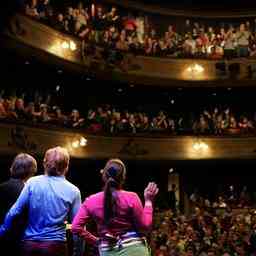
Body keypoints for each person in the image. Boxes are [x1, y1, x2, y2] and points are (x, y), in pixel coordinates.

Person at [0, 146, 82, 256]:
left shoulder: (32, 183)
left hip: (29, 246)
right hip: (56, 247)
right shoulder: (74, 191)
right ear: (66, 166)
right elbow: (77, 225)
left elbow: (14, 211)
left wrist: (2, 231)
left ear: (44, 164)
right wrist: (78, 251)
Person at [72, 158, 159, 256]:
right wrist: (148, 202)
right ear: (123, 178)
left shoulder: (91, 201)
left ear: (104, 176)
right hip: (135, 250)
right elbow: (145, 227)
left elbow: (75, 227)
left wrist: (96, 241)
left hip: (108, 251)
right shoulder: (132, 197)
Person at [0, 153, 37, 256]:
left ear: (13, 167)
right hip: (23, 241)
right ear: (31, 171)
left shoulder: (2, 187)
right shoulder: (30, 191)